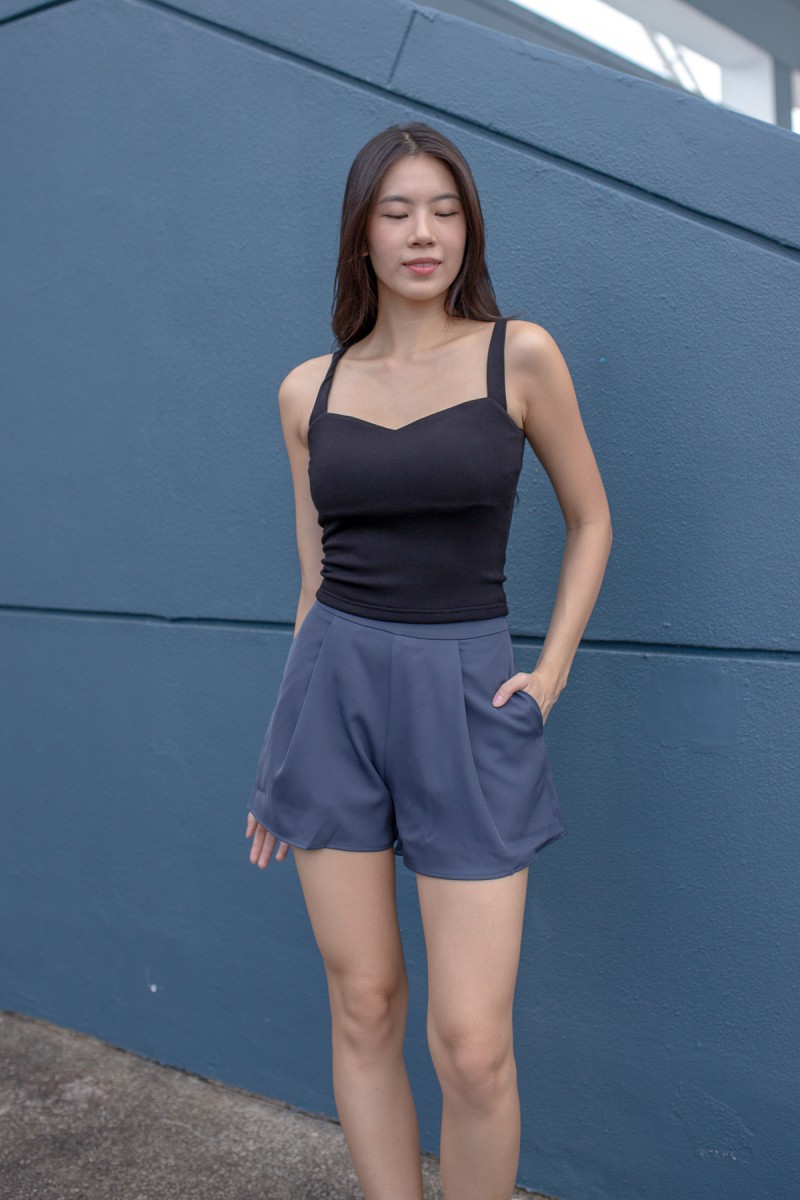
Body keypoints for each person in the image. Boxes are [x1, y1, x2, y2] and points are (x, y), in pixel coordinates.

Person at [244, 121, 612, 1200]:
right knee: (364, 1006)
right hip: (332, 704)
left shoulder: (519, 355)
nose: (422, 233)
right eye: (397, 211)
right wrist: (281, 754)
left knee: (471, 1045)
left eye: (444, 211)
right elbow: (312, 585)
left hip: (467, 696)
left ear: (469, 228)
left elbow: (592, 521)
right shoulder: (306, 391)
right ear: (360, 232)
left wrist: (548, 677)